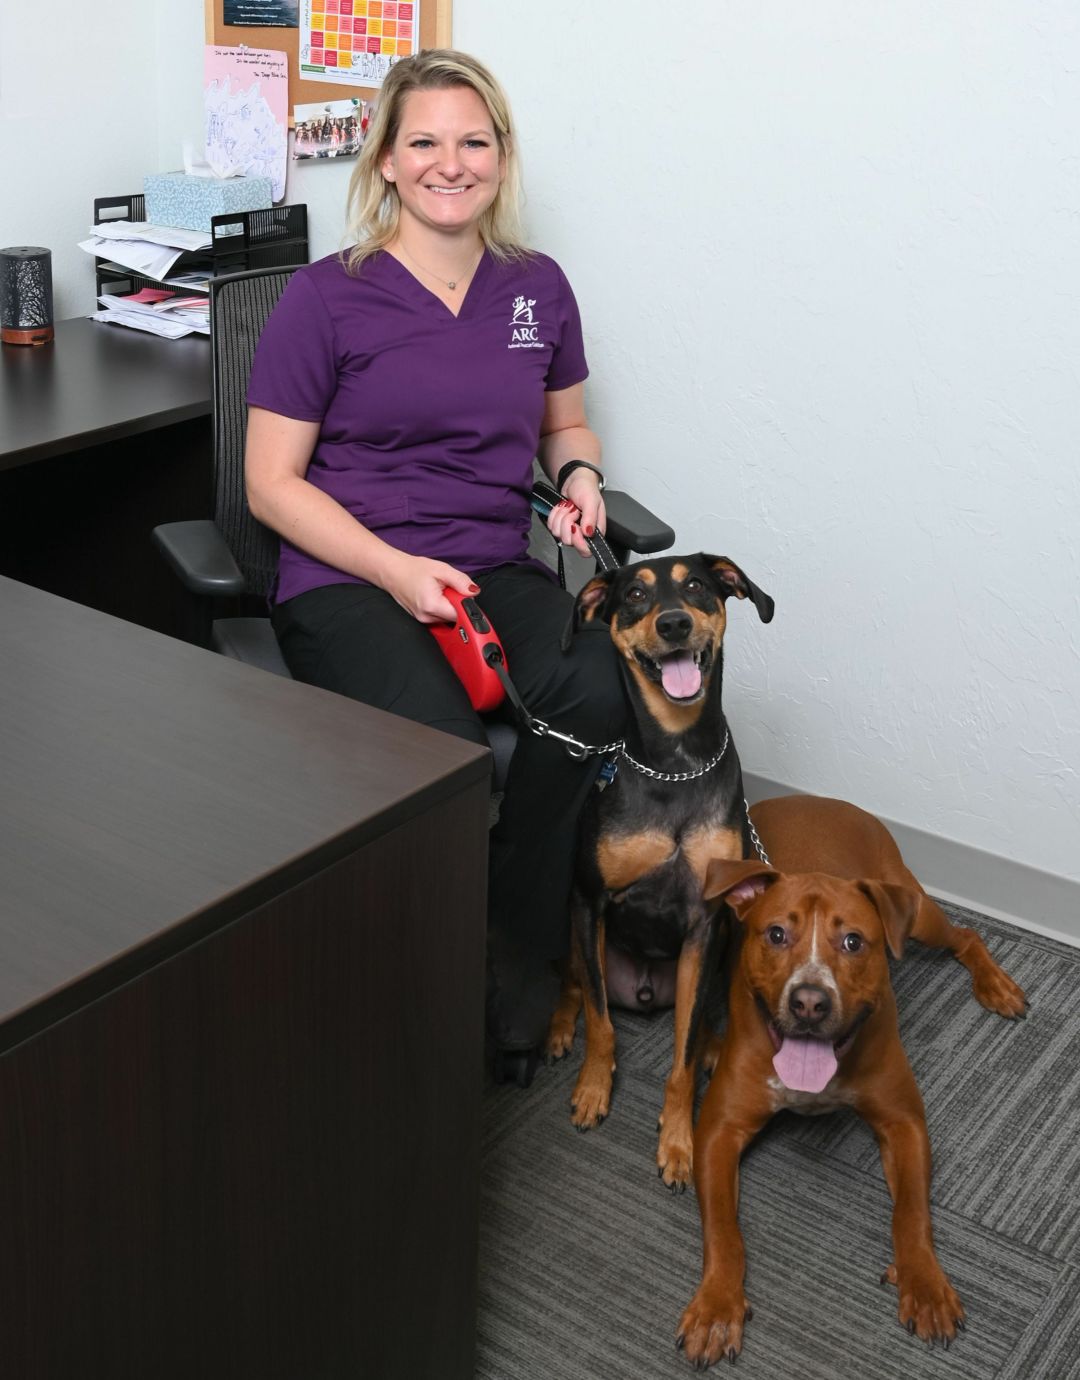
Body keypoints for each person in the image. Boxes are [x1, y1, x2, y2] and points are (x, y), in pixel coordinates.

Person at [245, 48, 623, 1065]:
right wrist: (394, 571)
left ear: (500, 155)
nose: (449, 163)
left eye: (473, 141)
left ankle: (513, 940)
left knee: (600, 688)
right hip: (348, 576)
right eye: (424, 141)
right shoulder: (328, 298)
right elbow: (270, 484)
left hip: (491, 563)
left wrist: (580, 481)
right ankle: (431, 999)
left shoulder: (537, 289)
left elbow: (568, 426)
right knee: (443, 754)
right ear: (386, 159)